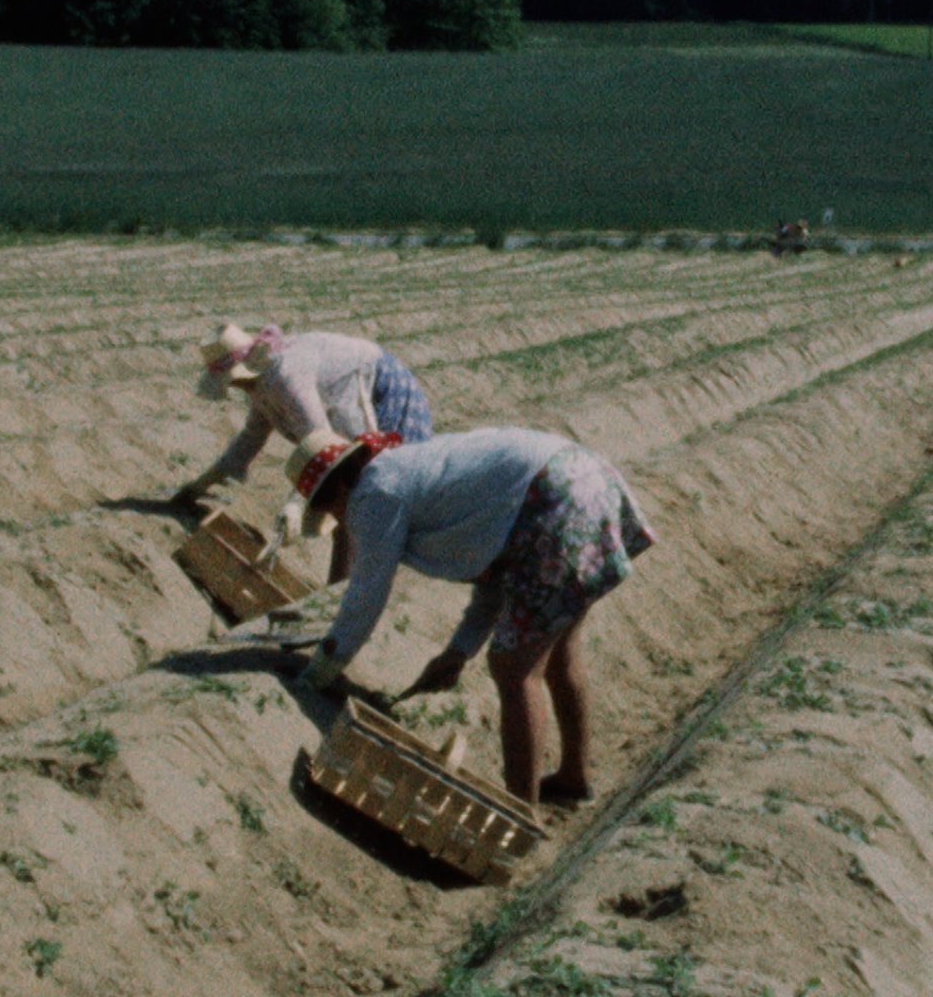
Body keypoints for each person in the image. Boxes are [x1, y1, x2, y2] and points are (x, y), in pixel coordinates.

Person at [287, 426, 655, 807]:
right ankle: (573, 779)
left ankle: (517, 813)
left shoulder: (373, 496)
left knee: (514, 669)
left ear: (337, 494)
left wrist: (320, 670)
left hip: (553, 502)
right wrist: (458, 652)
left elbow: (366, 594)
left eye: (327, 509)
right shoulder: (404, 472)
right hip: (582, 479)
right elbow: (499, 570)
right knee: (559, 650)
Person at [173, 323, 433, 579]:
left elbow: (324, 448)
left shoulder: (286, 378)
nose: (236, 386)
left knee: (357, 491)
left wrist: (295, 506)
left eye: (236, 380)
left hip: (376, 385)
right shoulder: (261, 386)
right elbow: (249, 440)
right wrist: (197, 487)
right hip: (340, 405)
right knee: (347, 498)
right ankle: (343, 585)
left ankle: (346, 586)